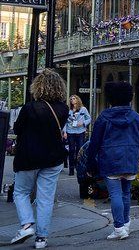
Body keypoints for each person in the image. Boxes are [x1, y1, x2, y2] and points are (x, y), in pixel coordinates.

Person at [9, 69, 70, 249]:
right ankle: (41, 238)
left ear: (38, 86)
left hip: (28, 156)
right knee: (45, 198)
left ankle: (27, 225)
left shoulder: (30, 107)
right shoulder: (63, 109)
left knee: (21, 192)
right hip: (53, 157)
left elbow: (18, 128)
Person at [85, 81, 139, 241]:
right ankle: (125, 224)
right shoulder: (136, 117)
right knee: (126, 193)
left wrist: (90, 162)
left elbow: (94, 143)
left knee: (115, 194)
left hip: (110, 159)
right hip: (130, 159)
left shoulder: (104, 117)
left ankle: (119, 227)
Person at [64, 94, 91, 174]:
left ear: (77, 100)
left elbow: (89, 118)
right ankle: (71, 169)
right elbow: (64, 122)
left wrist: (83, 123)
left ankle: (79, 167)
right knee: (71, 150)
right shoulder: (68, 110)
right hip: (70, 132)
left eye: (74, 98)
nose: (72, 100)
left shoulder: (83, 109)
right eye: (71, 99)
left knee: (80, 150)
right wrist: (64, 132)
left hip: (80, 132)